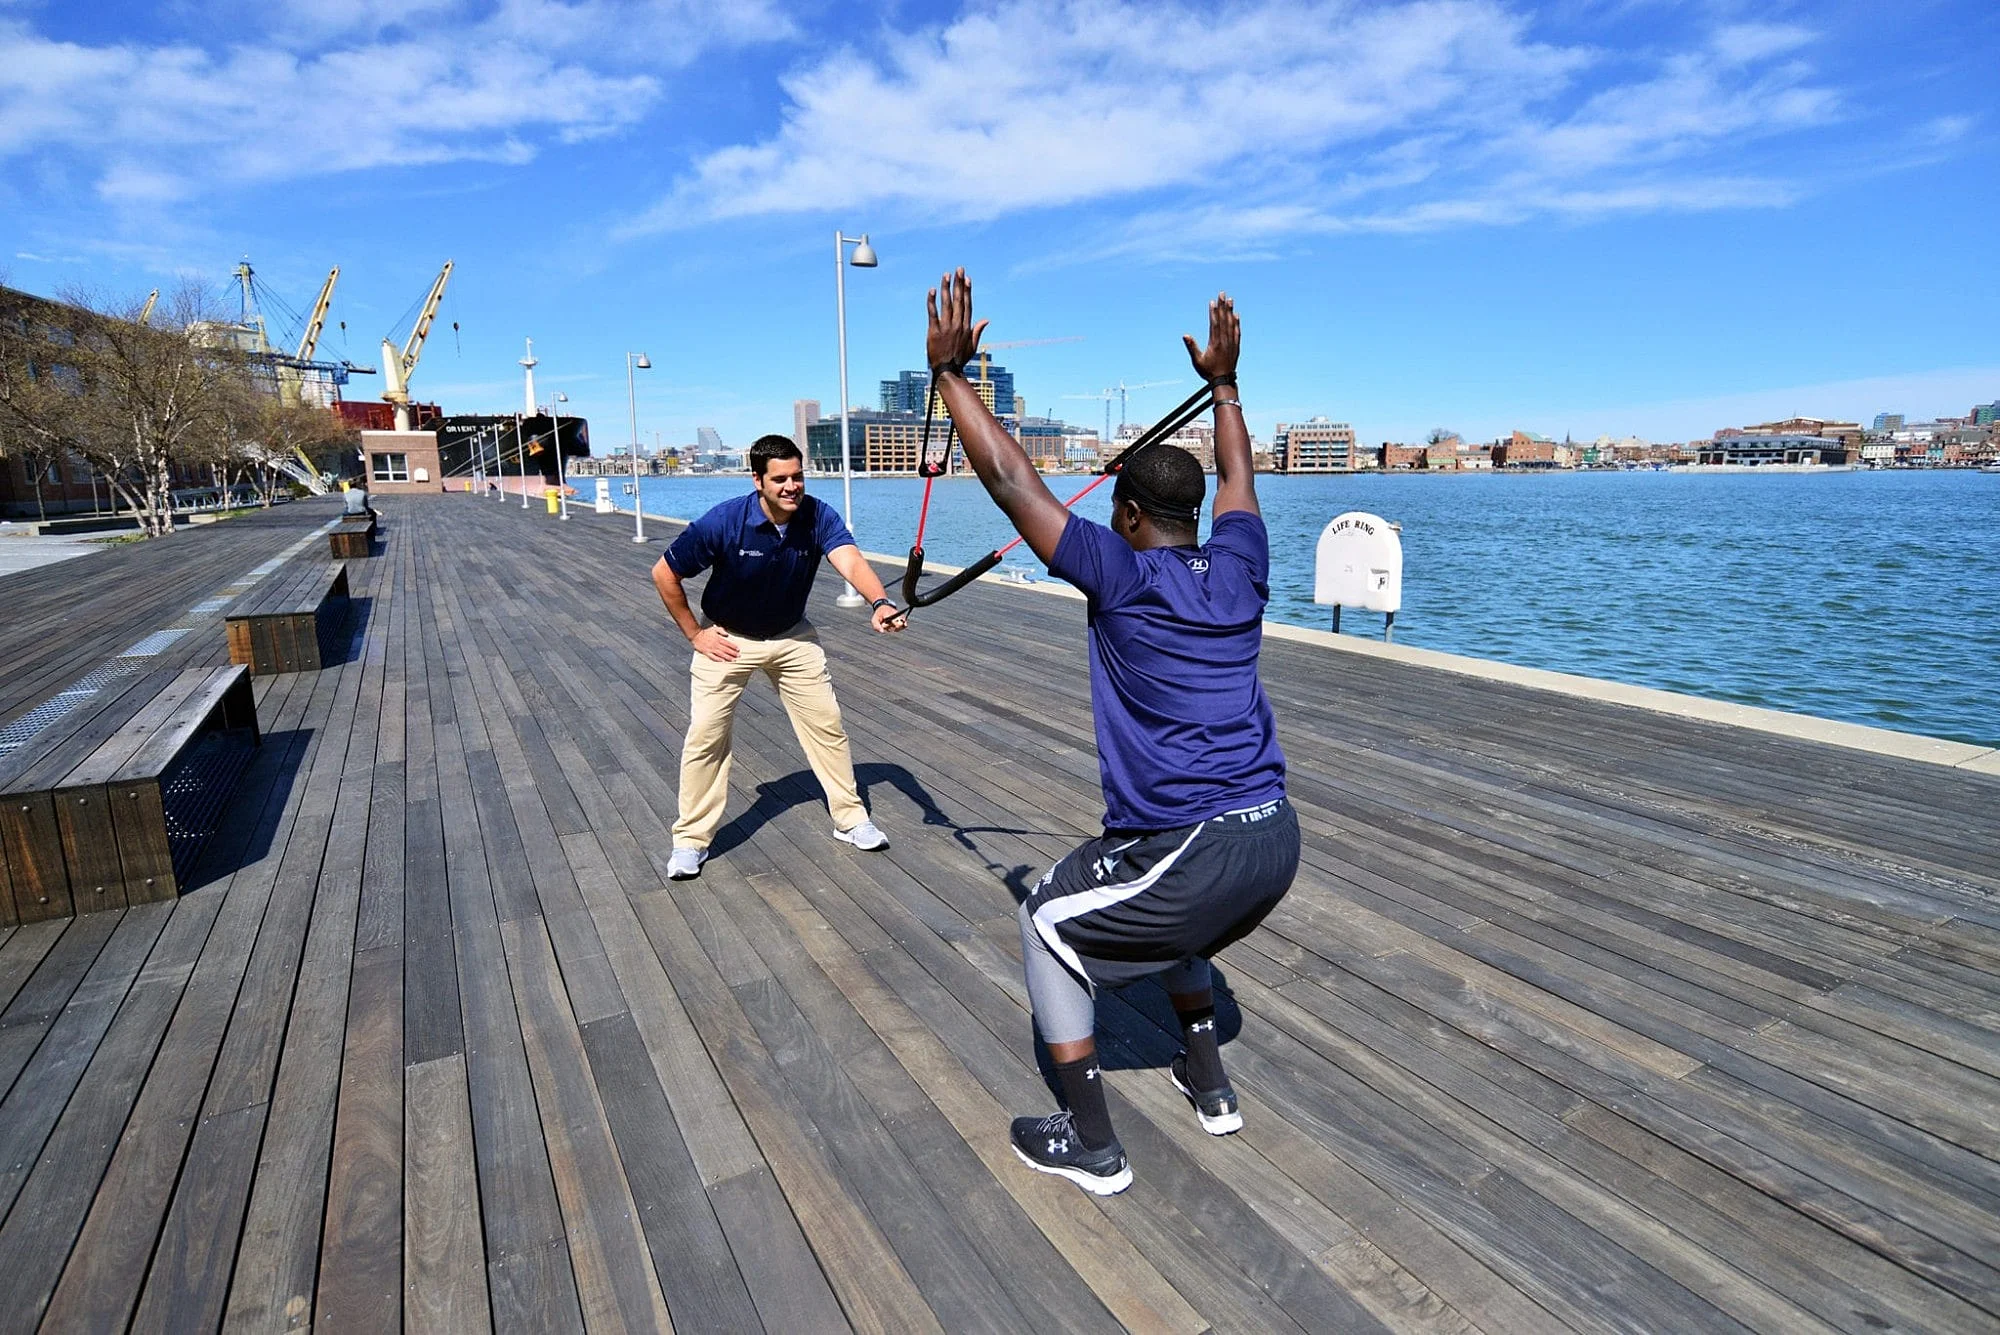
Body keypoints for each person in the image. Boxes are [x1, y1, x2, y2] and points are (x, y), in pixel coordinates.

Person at [926, 270, 1297, 1195]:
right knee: (1168, 903)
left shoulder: (1121, 572)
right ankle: (1207, 1079)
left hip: (1198, 840)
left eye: (1112, 512)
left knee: (1046, 917)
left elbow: (1014, 481)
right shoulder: (1242, 562)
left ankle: (1090, 1143)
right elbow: (1240, 478)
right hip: (1275, 835)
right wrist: (1226, 387)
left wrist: (948, 377)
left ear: (1128, 515)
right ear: (1198, 515)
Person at [651, 434, 903, 879]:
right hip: (729, 639)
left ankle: (850, 819)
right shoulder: (725, 521)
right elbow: (664, 572)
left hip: (792, 636)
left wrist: (879, 602)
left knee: (827, 725)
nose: (792, 487)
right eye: (781, 479)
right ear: (758, 481)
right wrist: (695, 634)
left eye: (798, 476)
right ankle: (690, 841)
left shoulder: (817, 515)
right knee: (705, 738)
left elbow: (850, 559)